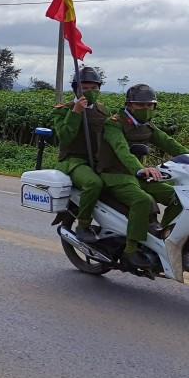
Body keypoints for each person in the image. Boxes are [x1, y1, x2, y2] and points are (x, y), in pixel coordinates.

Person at [98, 83, 189, 269]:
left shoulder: (145, 125)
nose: (146, 109)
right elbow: (122, 150)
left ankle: (162, 237)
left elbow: (168, 142)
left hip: (138, 175)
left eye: (150, 105)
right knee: (143, 201)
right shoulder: (114, 124)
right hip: (115, 175)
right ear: (129, 105)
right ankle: (130, 251)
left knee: (178, 197)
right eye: (141, 105)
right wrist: (140, 169)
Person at [53, 67, 110, 245]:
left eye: (94, 88)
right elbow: (65, 136)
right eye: (85, 88)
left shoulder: (103, 111)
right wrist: (76, 112)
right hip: (73, 160)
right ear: (76, 89)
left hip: (98, 161)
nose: (90, 91)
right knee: (93, 184)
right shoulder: (64, 110)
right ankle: (83, 225)